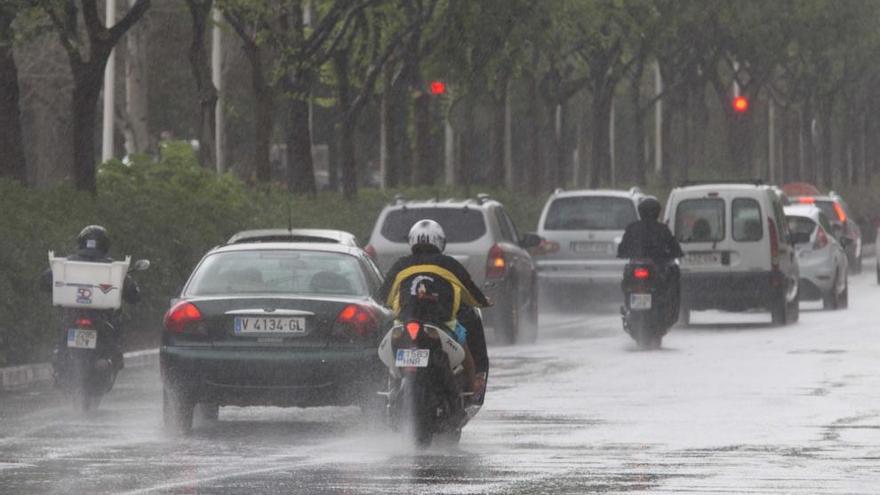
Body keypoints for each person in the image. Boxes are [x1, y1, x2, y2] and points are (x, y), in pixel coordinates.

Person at [378, 219, 491, 404]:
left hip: (405, 325)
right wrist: (483, 301)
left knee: (387, 357)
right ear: (440, 241)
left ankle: (389, 390)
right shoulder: (449, 264)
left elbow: (384, 296)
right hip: (443, 325)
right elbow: (471, 292)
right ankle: (472, 395)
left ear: (412, 241)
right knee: (468, 359)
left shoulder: (401, 265)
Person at [40, 225, 141, 375]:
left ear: (80, 242)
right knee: (114, 336)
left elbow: (44, 282)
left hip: (72, 316)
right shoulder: (113, 268)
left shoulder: (66, 264)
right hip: (101, 320)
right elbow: (134, 295)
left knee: (61, 334)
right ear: (105, 245)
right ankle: (109, 361)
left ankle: (60, 360)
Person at [617, 197, 684, 324]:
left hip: (638, 269)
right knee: (674, 275)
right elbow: (675, 249)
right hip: (657, 270)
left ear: (640, 211)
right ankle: (669, 308)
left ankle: (628, 307)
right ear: (657, 212)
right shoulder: (662, 229)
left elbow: (621, 250)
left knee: (627, 278)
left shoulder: (632, 228)